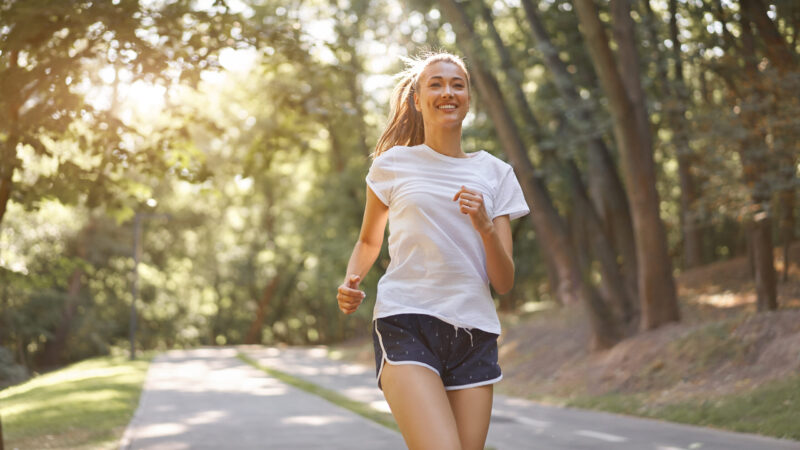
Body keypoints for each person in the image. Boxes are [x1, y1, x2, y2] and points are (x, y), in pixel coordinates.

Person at [336, 52, 529, 450]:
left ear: (468, 98)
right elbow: (369, 240)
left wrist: (485, 228)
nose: (447, 91)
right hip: (406, 319)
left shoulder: (496, 173)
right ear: (418, 99)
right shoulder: (393, 165)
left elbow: (505, 282)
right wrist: (351, 280)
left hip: (474, 332)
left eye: (457, 84)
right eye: (436, 84)